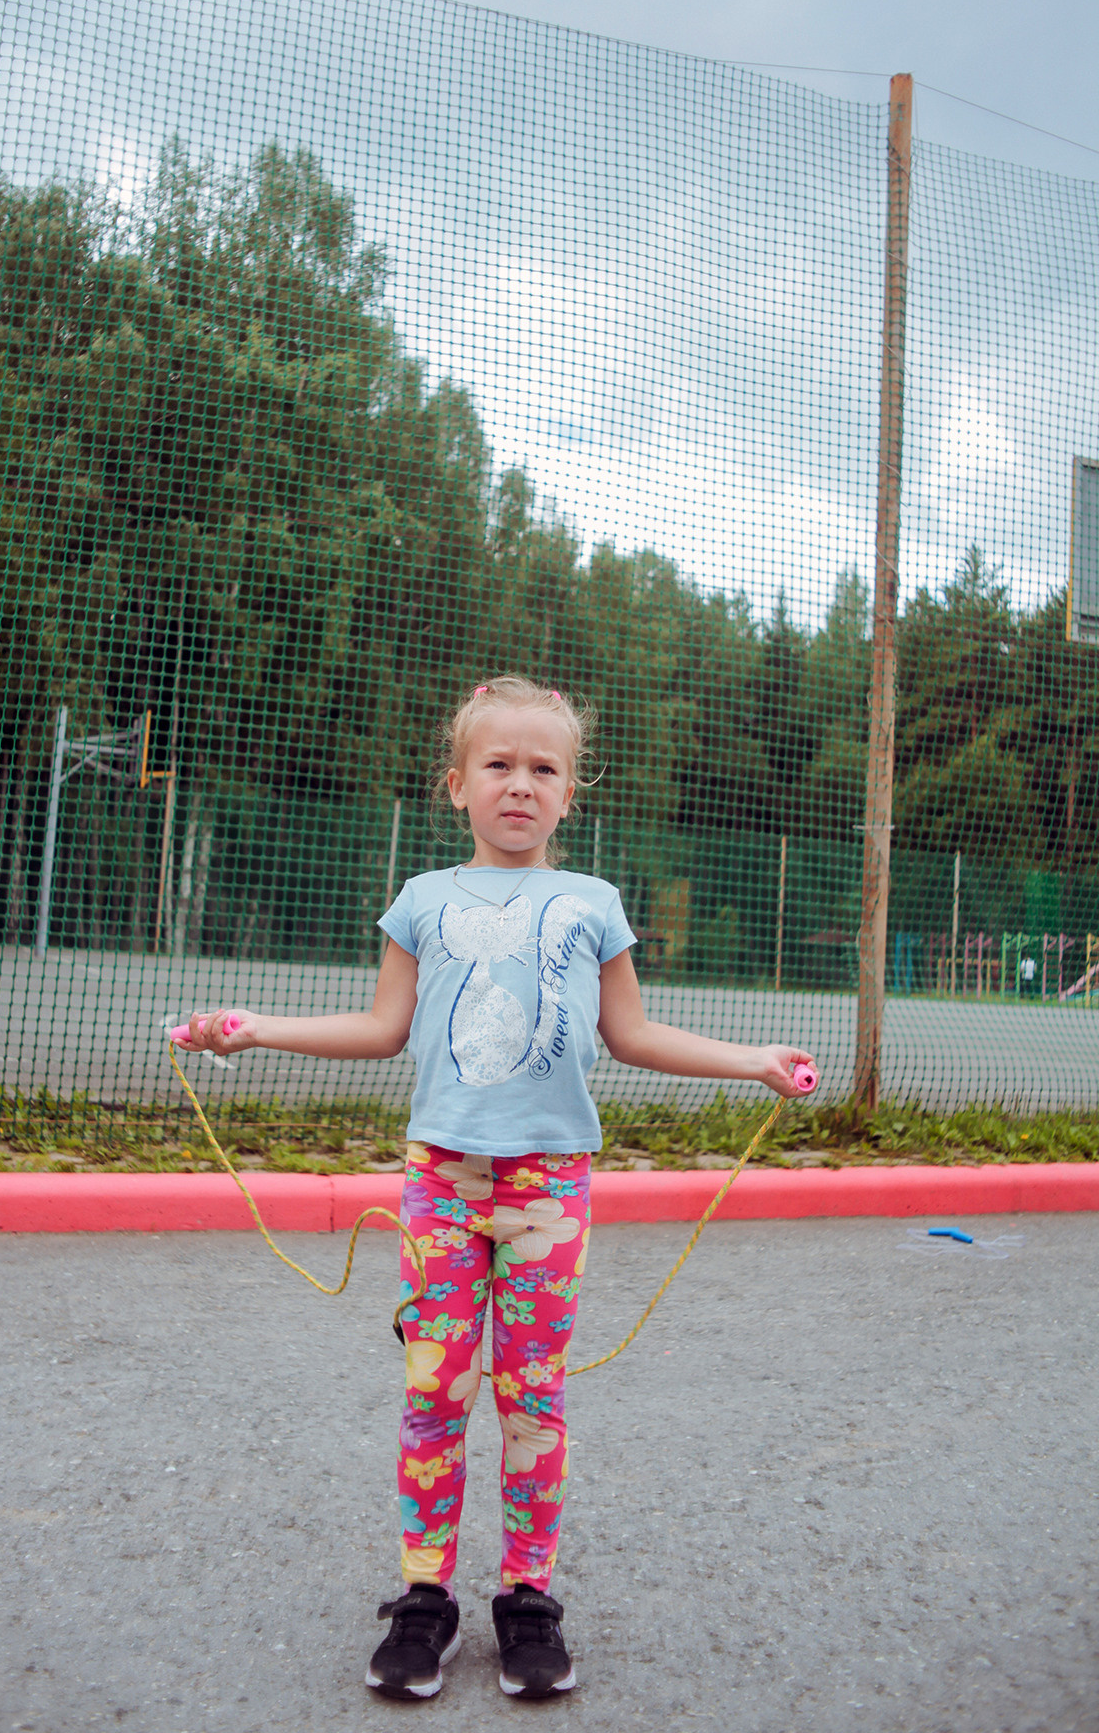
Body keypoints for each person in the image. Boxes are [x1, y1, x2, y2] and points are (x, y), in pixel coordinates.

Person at [177, 675, 815, 1702]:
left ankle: (527, 1598)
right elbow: (381, 1029)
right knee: (432, 1388)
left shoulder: (593, 904)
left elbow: (632, 1036)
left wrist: (750, 1061)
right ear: (456, 783)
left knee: (532, 1396)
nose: (519, 784)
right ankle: (423, 1596)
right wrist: (254, 1029)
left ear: (570, 793)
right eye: (498, 765)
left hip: (551, 1186)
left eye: (543, 768)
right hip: (440, 1179)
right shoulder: (422, 900)